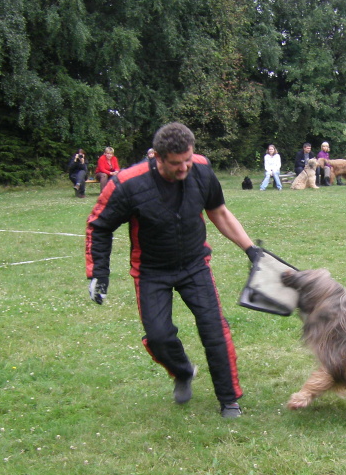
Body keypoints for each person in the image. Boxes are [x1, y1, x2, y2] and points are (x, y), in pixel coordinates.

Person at [86, 122, 260, 418]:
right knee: (158, 336)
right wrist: (98, 274)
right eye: (176, 164)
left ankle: (229, 399)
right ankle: (182, 371)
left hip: (195, 265)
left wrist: (251, 249)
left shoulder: (202, 169)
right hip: (151, 271)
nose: (184, 169)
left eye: (188, 160)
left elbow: (218, 211)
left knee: (214, 329)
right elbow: (99, 226)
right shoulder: (128, 184)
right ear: (156, 157)